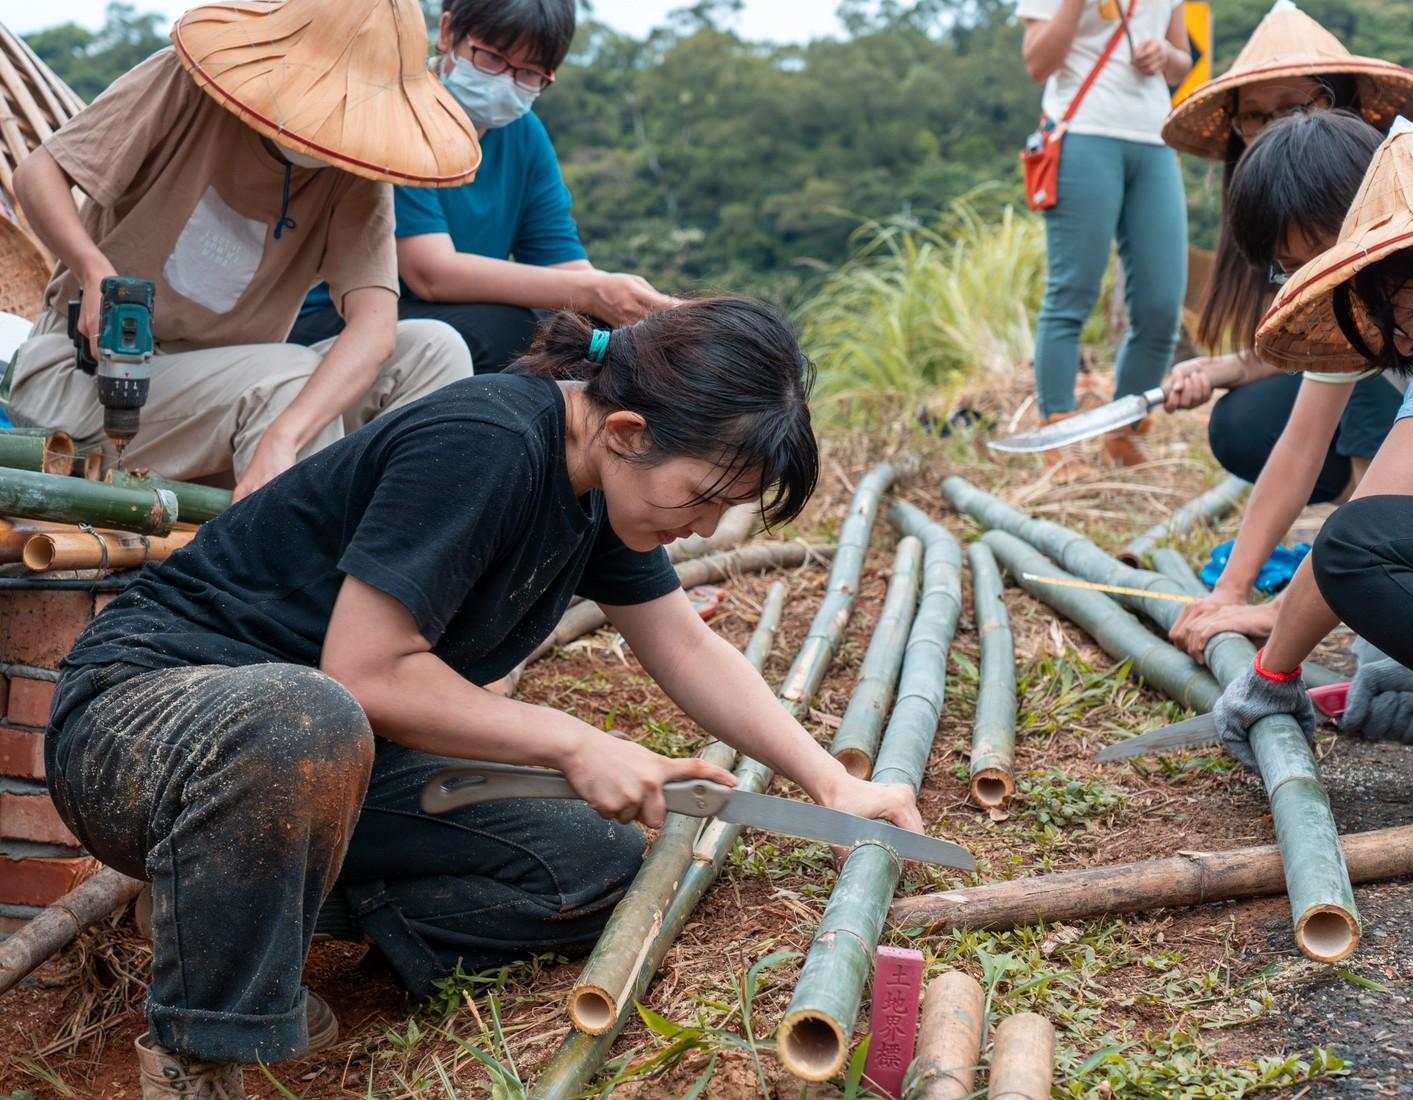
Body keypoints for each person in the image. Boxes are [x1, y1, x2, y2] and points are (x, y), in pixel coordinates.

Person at [45, 295, 923, 1097]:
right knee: (303, 717)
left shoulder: (599, 489)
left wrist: (831, 783)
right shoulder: (486, 441)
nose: (701, 527)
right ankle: (201, 1050)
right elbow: (367, 672)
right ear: (627, 430)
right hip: (147, 721)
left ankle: (219, 908)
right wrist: (574, 740)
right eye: (701, 497)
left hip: (324, 758)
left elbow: (687, 645)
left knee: (596, 865)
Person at [2, 0, 482, 501]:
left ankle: (396, 539)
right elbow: (38, 174)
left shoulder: (354, 167)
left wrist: (285, 436)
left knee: (435, 351)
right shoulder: (187, 83)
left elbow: (375, 328)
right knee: (287, 379)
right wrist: (93, 268)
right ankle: (280, 546)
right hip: (89, 380)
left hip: (238, 399)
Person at [1205, 119, 1413, 768]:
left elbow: (1380, 511)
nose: (1399, 341)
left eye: (1384, 302)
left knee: (1352, 541)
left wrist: (1271, 673)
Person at [289, 0, 677, 375]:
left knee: (589, 332)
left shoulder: (524, 134)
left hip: (450, 316)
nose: (505, 84)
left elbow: (563, 265)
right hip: (340, 318)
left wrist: (638, 305)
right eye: (491, 58)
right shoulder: (399, 112)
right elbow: (430, 273)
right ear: (447, 33)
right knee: (511, 330)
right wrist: (593, 290)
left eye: (529, 74)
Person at [1159, 0, 1413, 501]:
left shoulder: (1399, 192)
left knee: (1357, 343)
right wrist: (1229, 367)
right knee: (1242, 422)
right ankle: (1366, 504)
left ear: (1341, 102)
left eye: (1296, 107)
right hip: (1368, 382)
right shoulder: (1269, 209)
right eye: (1254, 116)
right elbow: (1306, 342)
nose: (1274, 127)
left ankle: (1383, 504)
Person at [1169, 110, 1393, 656]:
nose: (1312, 283)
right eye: (1291, 269)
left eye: (1322, 257)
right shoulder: (1348, 305)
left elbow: (1394, 495)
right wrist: (1230, 591)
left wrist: (1278, 615)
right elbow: (1298, 447)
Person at [1017, 0, 1192, 474]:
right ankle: (1058, 434)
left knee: (1161, 305)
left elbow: (1182, 62)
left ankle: (1126, 433)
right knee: (1071, 293)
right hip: (1082, 132)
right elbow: (1037, 63)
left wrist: (1165, 56)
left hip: (1155, 139)